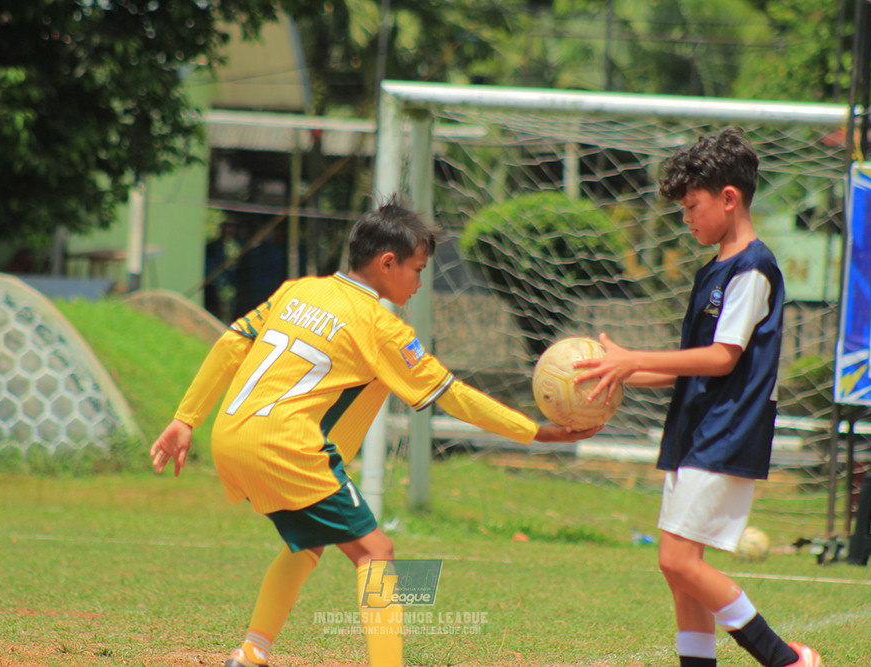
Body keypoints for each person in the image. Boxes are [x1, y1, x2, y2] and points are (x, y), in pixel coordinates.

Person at [150, 194, 599, 667]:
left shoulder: (296, 291)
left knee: (306, 544)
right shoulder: (382, 327)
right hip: (287, 445)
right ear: (388, 263)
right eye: (418, 269)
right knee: (376, 552)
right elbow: (452, 395)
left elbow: (229, 342)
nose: (421, 283)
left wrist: (185, 419)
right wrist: (535, 431)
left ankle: (252, 652)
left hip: (232, 434)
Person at [573, 128, 823, 667]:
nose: (686, 218)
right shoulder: (714, 268)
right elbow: (696, 365)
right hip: (695, 429)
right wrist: (621, 373)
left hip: (727, 431)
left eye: (692, 206)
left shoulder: (752, 268)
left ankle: (786, 659)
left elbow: (722, 358)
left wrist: (634, 357)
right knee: (678, 571)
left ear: (729, 198)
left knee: (679, 560)